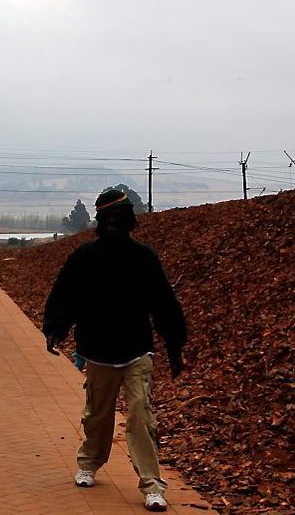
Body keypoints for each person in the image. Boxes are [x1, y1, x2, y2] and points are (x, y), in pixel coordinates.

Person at [43, 189, 187, 513]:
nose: (112, 224)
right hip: (96, 350)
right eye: (106, 218)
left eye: (118, 218)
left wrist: (175, 347)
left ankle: (152, 485)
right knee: (97, 414)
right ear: (99, 221)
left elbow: (164, 305)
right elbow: (64, 294)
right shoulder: (84, 256)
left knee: (140, 415)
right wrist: (55, 328)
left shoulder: (144, 258)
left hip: (137, 351)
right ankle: (89, 463)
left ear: (129, 221)